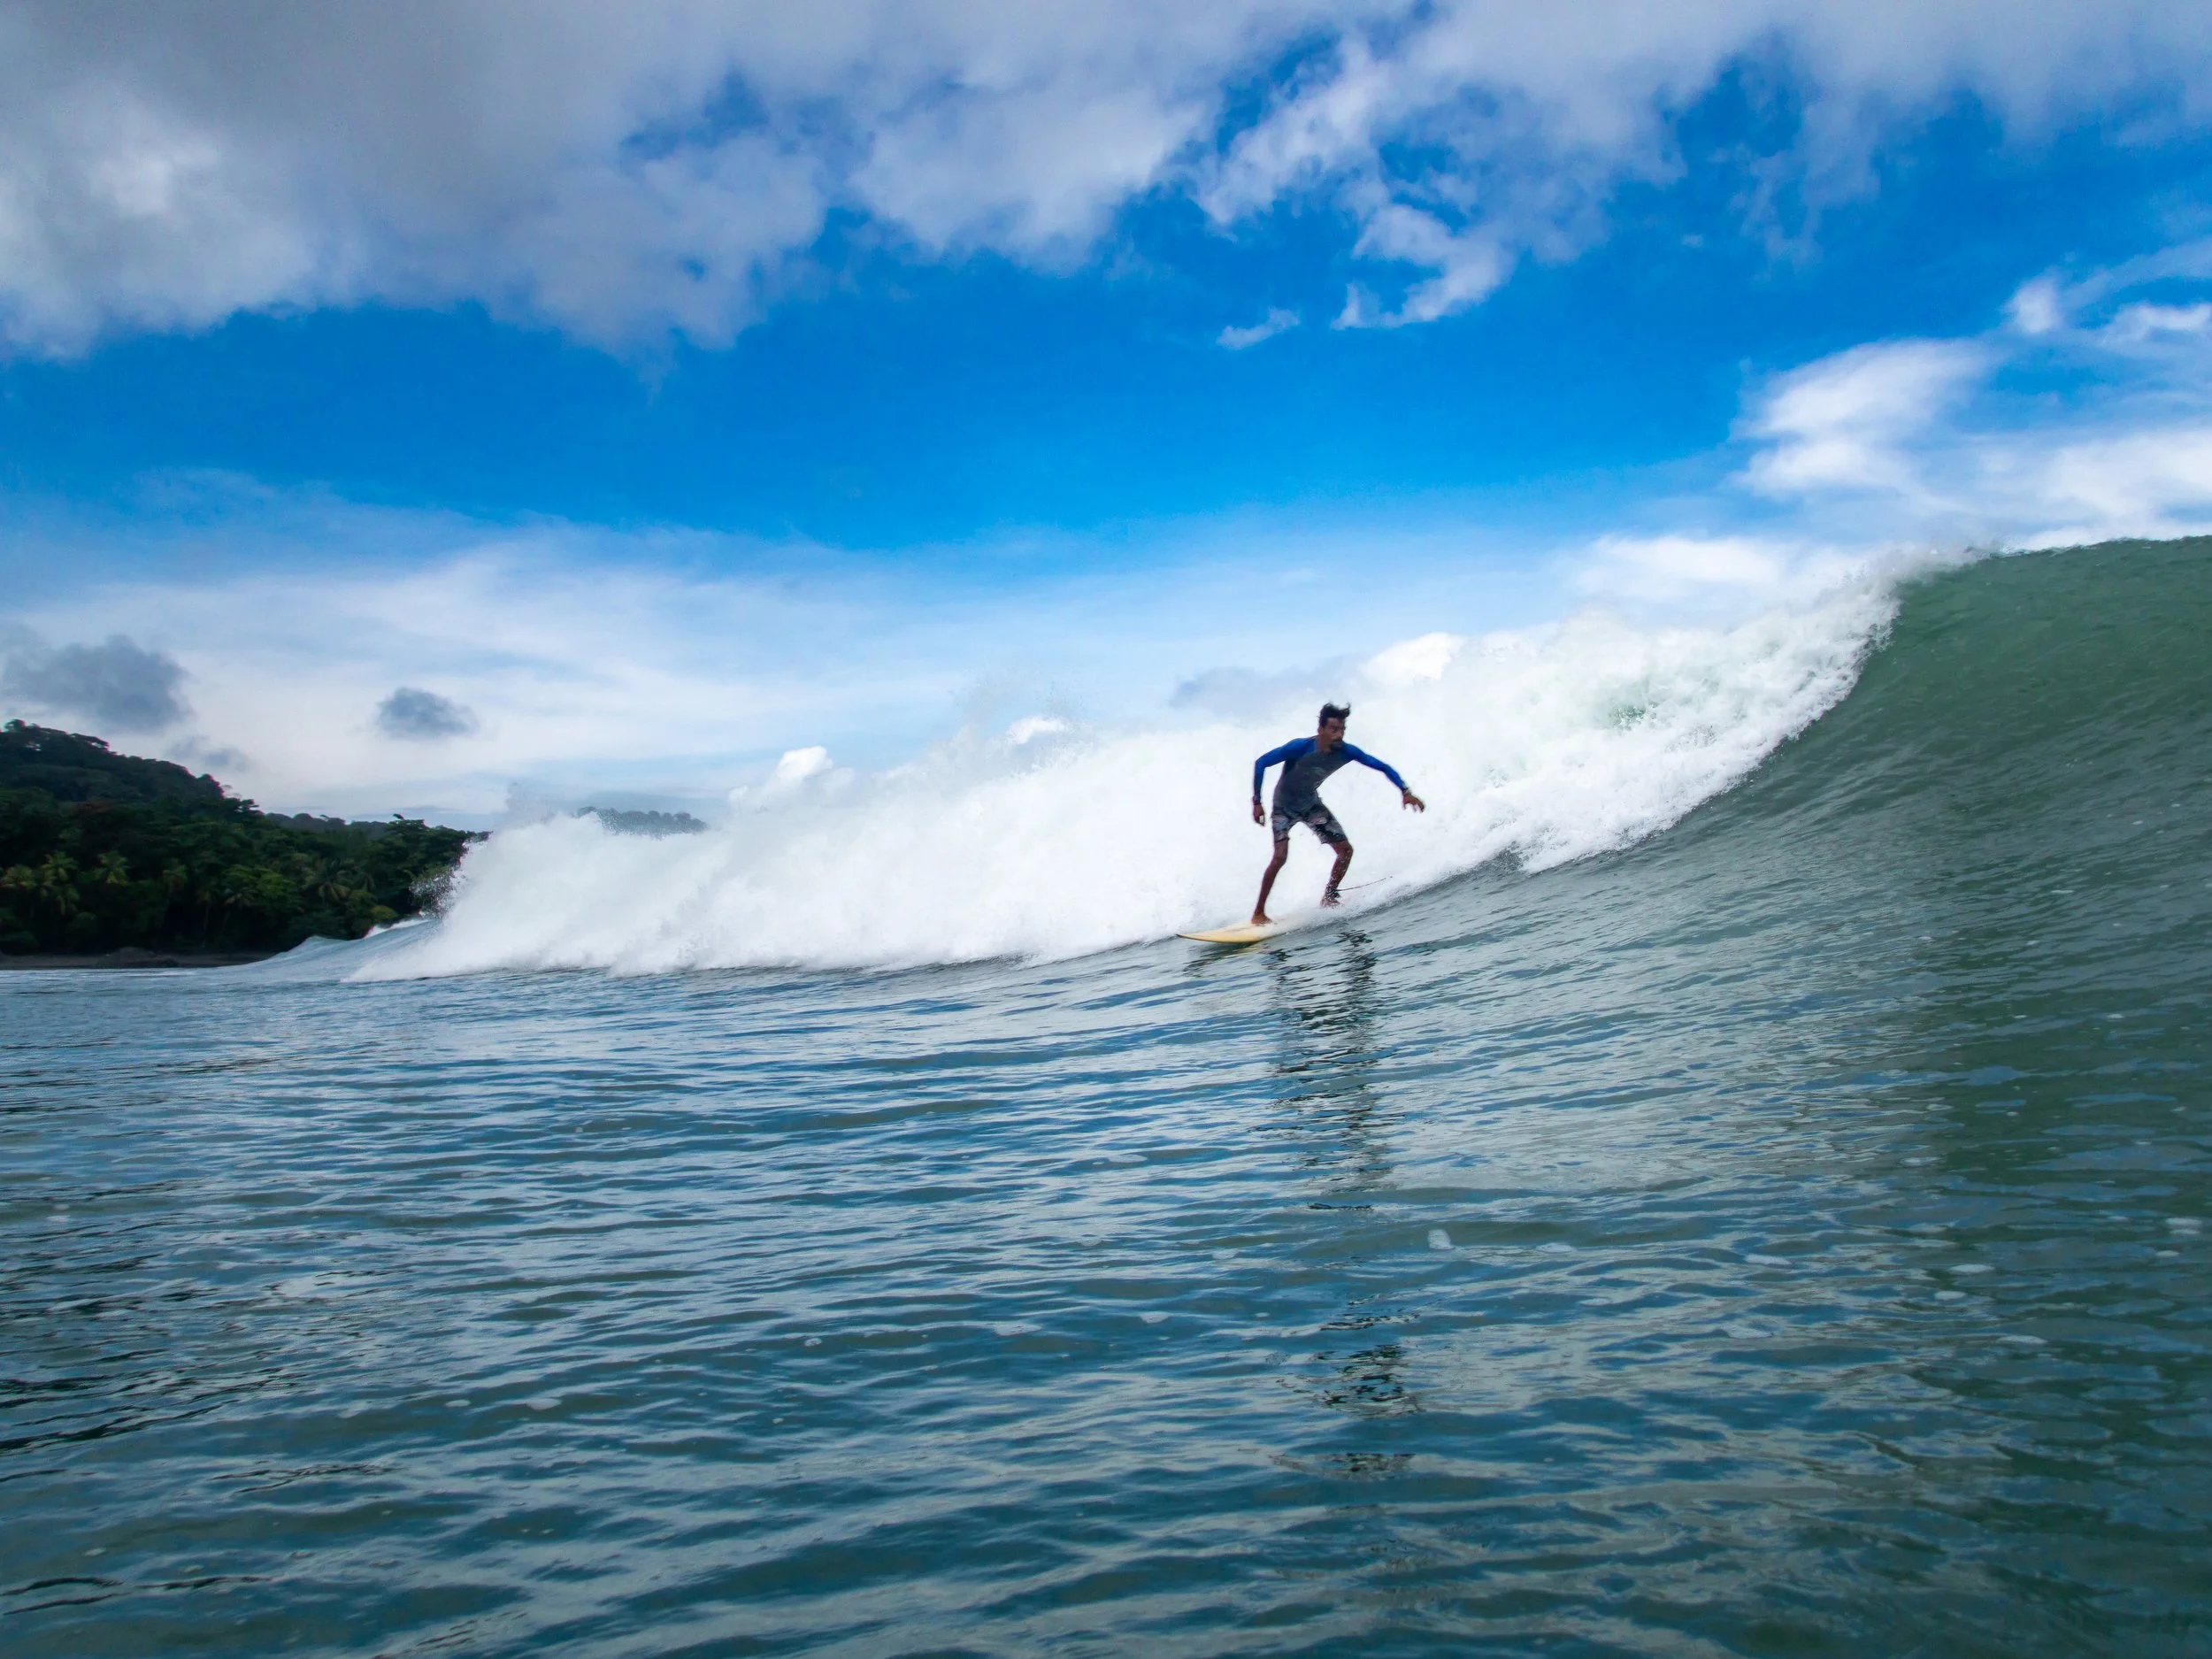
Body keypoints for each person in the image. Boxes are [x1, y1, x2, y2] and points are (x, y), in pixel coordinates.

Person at [1249, 703, 1424, 924]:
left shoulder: (1346, 751)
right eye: (1333, 729)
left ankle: (1329, 896)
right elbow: (1261, 763)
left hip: (1311, 806)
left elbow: (1382, 766)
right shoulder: (1299, 748)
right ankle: (1258, 914)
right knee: (1280, 857)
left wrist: (1405, 791)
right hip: (1283, 807)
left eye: (1342, 730)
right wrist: (1257, 801)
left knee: (1345, 851)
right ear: (1320, 729)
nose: (1339, 734)